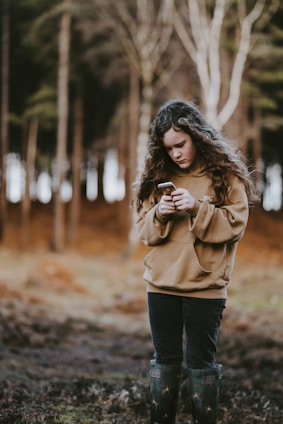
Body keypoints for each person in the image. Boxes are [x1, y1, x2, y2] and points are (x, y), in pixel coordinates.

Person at [133, 100, 258, 424]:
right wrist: (160, 213)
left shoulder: (226, 176)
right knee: (165, 361)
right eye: (169, 148)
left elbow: (235, 225)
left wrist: (196, 208)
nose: (176, 153)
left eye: (181, 144)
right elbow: (144, 233)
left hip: (206, 287)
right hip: (160, 285)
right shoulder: (157, 175)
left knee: (201, 365)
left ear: (197, 136)